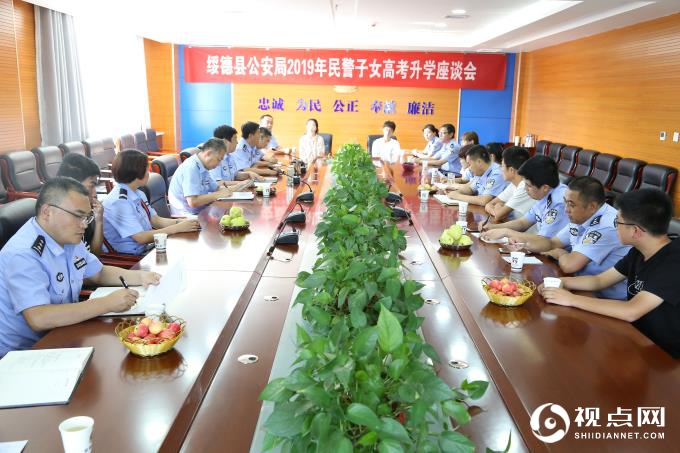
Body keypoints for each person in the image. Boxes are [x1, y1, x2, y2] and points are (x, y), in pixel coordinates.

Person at [0, 177, 161, 357]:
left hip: (63, 332)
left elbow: (98, 273)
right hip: (25, 353)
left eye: (87, 216)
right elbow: (38, 318)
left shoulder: (67, 236)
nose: (84, 224)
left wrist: (141, 277)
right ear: (47, 212)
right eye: (78, 216)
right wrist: (107, 303)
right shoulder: (23, 253)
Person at [541, 189, 679, 358]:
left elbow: (631, 311)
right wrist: (561, 283)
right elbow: (600, 281)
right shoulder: (638, 251)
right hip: (636, 337)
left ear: (635, 231)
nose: (615, 228)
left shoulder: (673, 263)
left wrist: (570, 299)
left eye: (617, 223)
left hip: (664, 354)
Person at [506, 177, 631, 299]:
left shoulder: (607, 226)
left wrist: (560, 254)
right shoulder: (580, 215)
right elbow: (552, 243)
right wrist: (522, 242)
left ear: (592, 207)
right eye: (565, 202)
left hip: (605, 296)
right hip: (580, 283)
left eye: (571, 204)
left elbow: (569, 265)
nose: (566, 210)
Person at [102, 150, 201, 255]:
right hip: (131, 256)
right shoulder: (119, 202)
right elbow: (141, 238)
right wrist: (177, 228)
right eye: (146, 169)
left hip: (147, 247)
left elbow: (155, 220)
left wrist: (183, 223)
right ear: (136, 172)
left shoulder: (138, 192)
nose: (148, 172)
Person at [482, 155, 569, 237]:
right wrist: (493, 227)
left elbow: (544, 241)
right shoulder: (543, 193)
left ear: (545, 187)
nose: (525, 188)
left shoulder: (560, 203)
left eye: (528, 185)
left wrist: (506, 232)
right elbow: (522, 223)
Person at [169, 138, 250, 216]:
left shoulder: (203, 166)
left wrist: (238, 186)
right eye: (218, 160)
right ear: (208, 153)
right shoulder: (191, 167)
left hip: (202, 210)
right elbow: (193, 201)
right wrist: (218, 194)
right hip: (187, 215)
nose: (219, 164)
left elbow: (216, 188)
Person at [56, 154, 104, 255]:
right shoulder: (59, 220)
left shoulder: (83, 212)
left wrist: (99, 221)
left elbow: (94, 254)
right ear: (73, 183)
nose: (95, 194)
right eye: (91, 186)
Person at [484, 146, 535, 222]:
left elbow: (499, 215)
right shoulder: (514, 184)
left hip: (526, 232)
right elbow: (488, 204)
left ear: (511, 170)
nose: (501, 169)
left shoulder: (524, 186)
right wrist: (498, 208)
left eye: (502, 165)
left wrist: (498, 207)